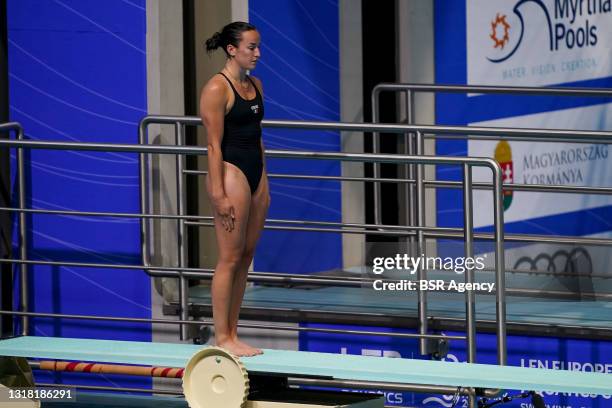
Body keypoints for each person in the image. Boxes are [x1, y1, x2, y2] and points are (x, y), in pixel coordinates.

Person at [200, 22, 269, 357]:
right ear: (232, 49)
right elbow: (213, 146)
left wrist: (264, 182)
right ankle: (221, 336)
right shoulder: (217, 88)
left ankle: (234, 332)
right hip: (229, 174)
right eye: (251, 47)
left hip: (255, 176)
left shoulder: (256, 85)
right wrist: (218, 194)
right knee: (229, 257)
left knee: (246, 256)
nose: (257, 54)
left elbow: (258, 138)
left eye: (258, 47)